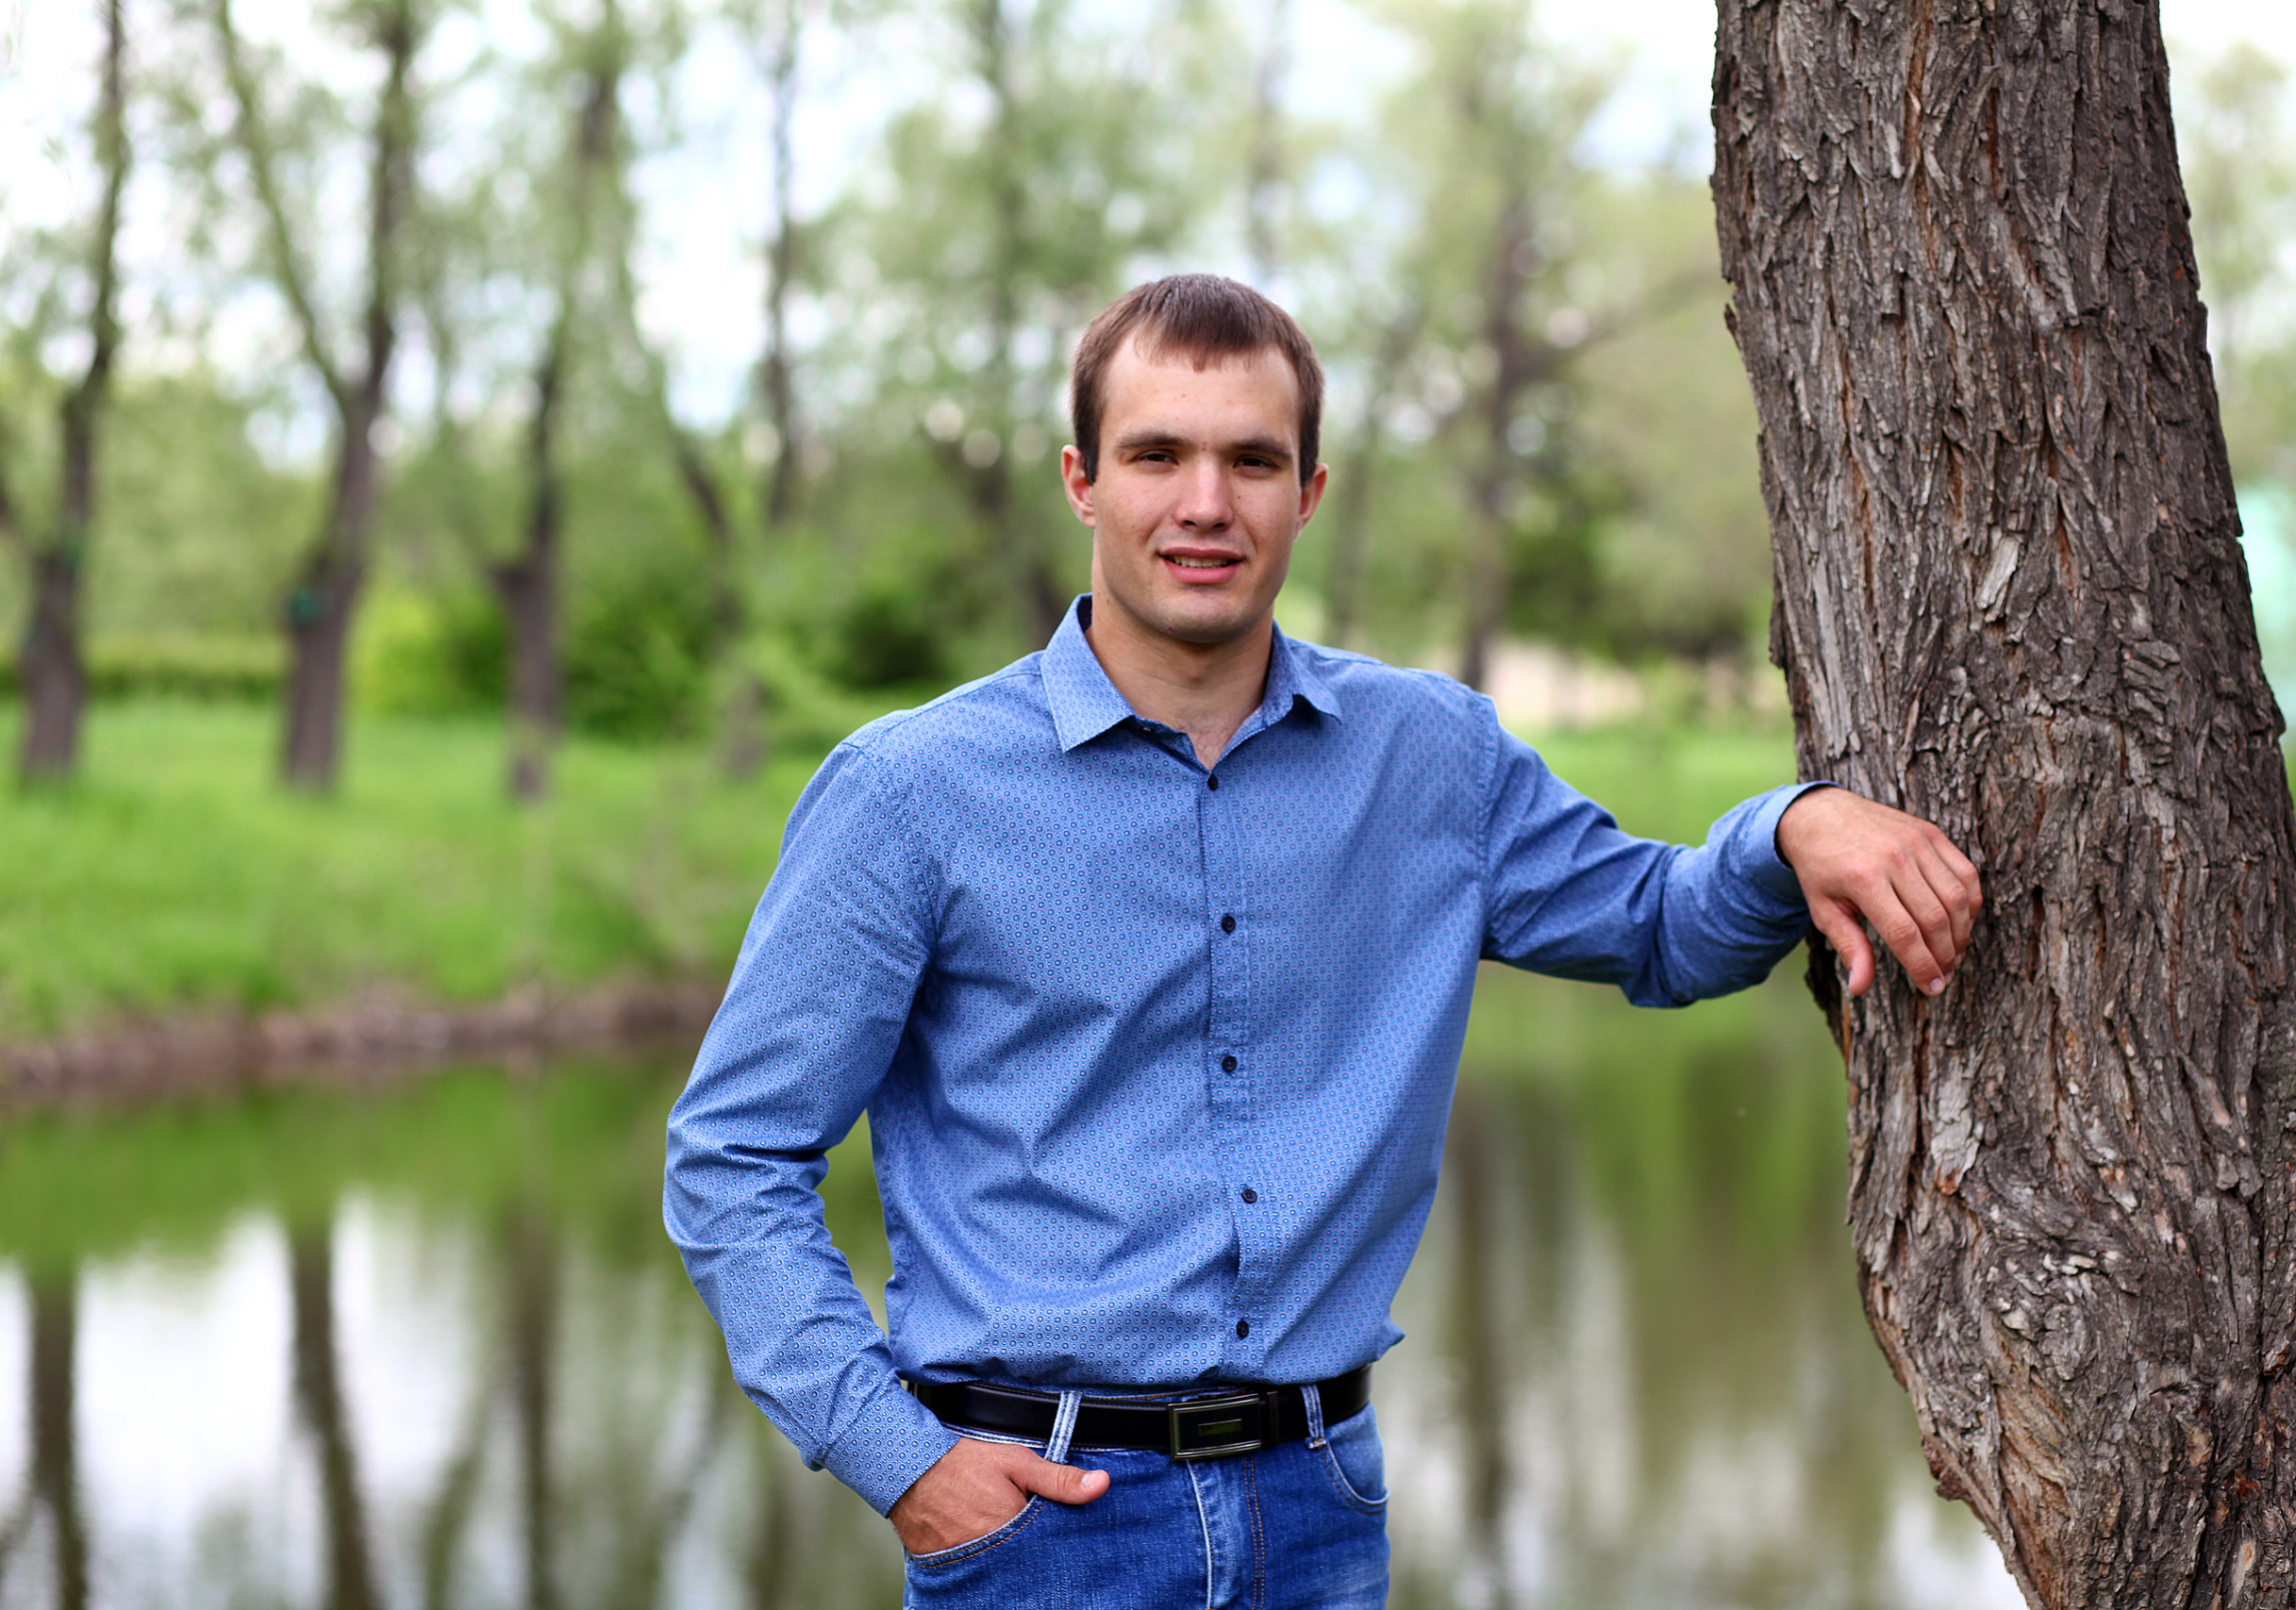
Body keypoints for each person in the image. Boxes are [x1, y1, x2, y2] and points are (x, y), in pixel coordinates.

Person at [664, 274, 1980, 1607]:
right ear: (1081, 481)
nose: (1204, 503)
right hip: (1038, 1528)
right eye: (1156, 454)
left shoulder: (1431, 760)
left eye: (1252, 459)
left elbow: (1659, 929)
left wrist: (1793, 826)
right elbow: (733, 1155)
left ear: (1310, 491)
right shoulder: (911, 793)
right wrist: (904, 1463)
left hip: (1320, 1509)